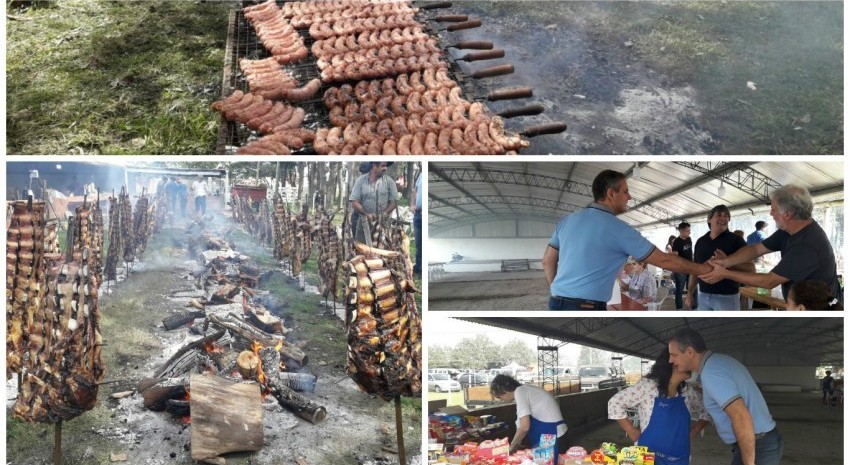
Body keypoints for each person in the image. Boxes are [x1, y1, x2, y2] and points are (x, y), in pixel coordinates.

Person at [542, 170, 712, 310]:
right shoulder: (619, 228)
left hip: (556, 303)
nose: (629, 197)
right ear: (610, 193)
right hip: (585, 307)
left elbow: (547, 261)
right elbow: (664, 260)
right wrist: (704, 268)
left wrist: (557, 290)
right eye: (625, 191)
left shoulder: (567, 221)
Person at [699, 185, 841, 304]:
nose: (771, 213)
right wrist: (725, 261)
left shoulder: (807, 245)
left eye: (773, 209)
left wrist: (725, 273)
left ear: (788, 214)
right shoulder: (788, 230)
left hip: (819, 309)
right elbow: (756, 249)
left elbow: (769, 281)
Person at [668, 329, 783, 465]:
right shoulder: (717, 363)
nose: (670, 360)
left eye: (673, 355)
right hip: (757, 442)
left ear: (689, 352)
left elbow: (741, 417)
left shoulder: (712, 373)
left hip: (756, 445)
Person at [608, 349, 711, 465]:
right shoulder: (648, 387)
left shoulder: (686, 391)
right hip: (647, 457)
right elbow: (615, 403)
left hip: (678, 457)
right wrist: (631, 431)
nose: (691, 365)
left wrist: (695, 430)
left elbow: (708, 408)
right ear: (672, 364)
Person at [687, 205, 753, 310]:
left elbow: (751, 269)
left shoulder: (736, 240)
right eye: (719, 215)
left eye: (726, 216)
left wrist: (727, 260)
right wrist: (690, 293)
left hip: (727, 297)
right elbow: (694, 271)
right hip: (703, 295)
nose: (723, 218)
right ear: (709, 219)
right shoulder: (701, 241)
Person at [490, 374, 568, 458]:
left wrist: (512, 446)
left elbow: (524, 427)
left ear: (504, 390)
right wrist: (517, 443)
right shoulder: (525, 390)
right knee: (543, 461)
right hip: (553, 432)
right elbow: (520, 423)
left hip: (550, 434)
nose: (501, 399)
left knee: (544, 462)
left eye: (499, 396)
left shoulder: (520, 392)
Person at [349, 162, 397, 243]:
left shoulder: (389, 182)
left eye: (386, 166)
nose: (385, 168)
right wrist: (366, 213)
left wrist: (384, 214)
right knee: (362, 249)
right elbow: (354, 202)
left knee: (382, 250)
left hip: (383, 224)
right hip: (363, 223)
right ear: (374, 166)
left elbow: (394, 202)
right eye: (383, 166)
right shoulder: (361, 181)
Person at [670, 222, 696, 310]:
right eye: (687, 231)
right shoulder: (676, 241)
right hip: (680, 269)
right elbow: (675, 256)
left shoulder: (689, 239)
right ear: (681, 231)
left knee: (693, 288)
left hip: (690, 268)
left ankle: (695, 307)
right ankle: (679, 308)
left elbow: (690, 252)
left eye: (689, 230)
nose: (689, 232)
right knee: (679, 290)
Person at [411, 172, 422, 274]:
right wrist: (413, 204)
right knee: (418, 244)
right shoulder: (421, 175)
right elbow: (415, 190)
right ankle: (419, 267)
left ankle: (421, 268)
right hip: (418, 213)